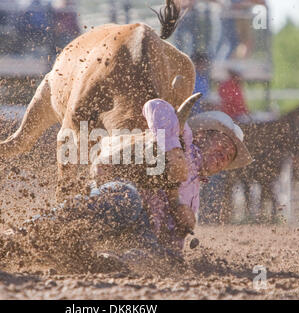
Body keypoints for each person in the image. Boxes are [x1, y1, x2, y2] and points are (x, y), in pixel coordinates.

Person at [28, 98, 253, 269]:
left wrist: (184, 224)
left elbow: (173, 241)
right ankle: (30, 232)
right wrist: (174, 152)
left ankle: (107, 262)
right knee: (126, 197)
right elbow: (156, 106)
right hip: (118, 201)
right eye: (222, 146)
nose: (224, 155)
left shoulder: (195, 195)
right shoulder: (183, 136)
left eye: (229, 156)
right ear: (203, 136)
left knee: (167, 258)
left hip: (139, 231)